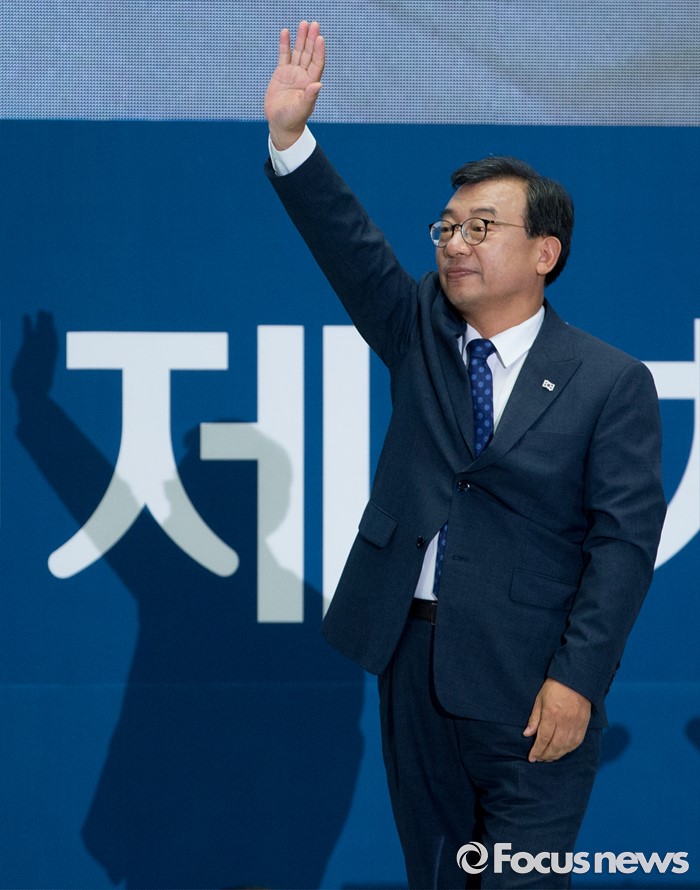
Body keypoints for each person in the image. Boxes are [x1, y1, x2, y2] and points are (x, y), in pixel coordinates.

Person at [263, 21, 666, 889]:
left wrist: (578, 682)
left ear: (545, 252)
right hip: (413, 659)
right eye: (446, 228)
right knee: (439, 878)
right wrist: (292, 140)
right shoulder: (420, 329)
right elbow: (348, 244)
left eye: (482, 227)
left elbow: (624, 547)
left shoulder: (609, 381)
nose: (455, 243)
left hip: (534, 682)